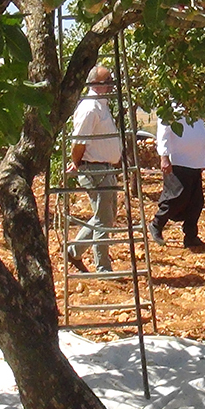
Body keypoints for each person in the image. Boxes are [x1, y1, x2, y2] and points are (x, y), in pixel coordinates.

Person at [65, 65, 121, 273]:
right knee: (103, 217)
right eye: (108, 82)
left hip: (104, 168)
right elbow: (79, 142)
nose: (111, 86)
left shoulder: (100, 106)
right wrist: (78, 163)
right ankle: (102, 267)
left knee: (106, 214)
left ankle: (74, 251)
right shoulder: (90, 107)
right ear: (98, 85)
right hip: (94, 169)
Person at [151, 116, 205, 250]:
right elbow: (163, 133)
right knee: (176, 198)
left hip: (194, 162)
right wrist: (164, 157)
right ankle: (156, 224)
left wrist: (202, 158)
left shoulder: (194, 108)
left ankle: (191, 236)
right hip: (178, 161)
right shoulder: (170, 110)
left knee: (196, 201)